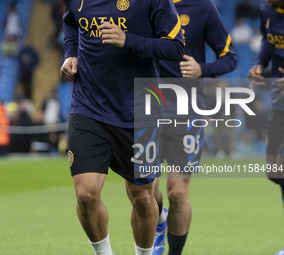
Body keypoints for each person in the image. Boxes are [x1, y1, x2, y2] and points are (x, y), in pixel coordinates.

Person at [60, 0, 185, 254]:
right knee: (86, 195)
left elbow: (175, 48)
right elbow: (71, 22)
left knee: (141, 197)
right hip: (88, 106)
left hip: (139, 110)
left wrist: (128, 40)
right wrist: (70, 53)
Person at [153, 0, 238, 254]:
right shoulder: (144, 4)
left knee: (177, 194)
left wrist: (203, 68)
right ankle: (158, 221)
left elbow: (230, 57)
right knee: (144, 192)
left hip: (187, 110)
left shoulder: (203, 7)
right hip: (147, 106)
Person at [248, 1, 284, 254]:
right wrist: (260, 64)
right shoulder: (266, 9)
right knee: (274, 170)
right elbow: (268, 40)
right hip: (279, 102)